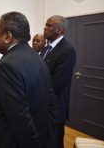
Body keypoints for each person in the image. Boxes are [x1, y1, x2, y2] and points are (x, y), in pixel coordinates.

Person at [0, 11, 59, 148]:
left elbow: (20, 119)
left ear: (8, 36)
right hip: (41, 135)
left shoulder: (6, 66)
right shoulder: (37, 57)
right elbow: (52, 103)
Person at [41, 15, 76, 148]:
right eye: (45, 24)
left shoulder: (67, 50)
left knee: (54, 141)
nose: (45, 28)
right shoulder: (46, 49)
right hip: (43, 105)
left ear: (60, 30)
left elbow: (57, 83)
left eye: (49, 25)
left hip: (55, 107)